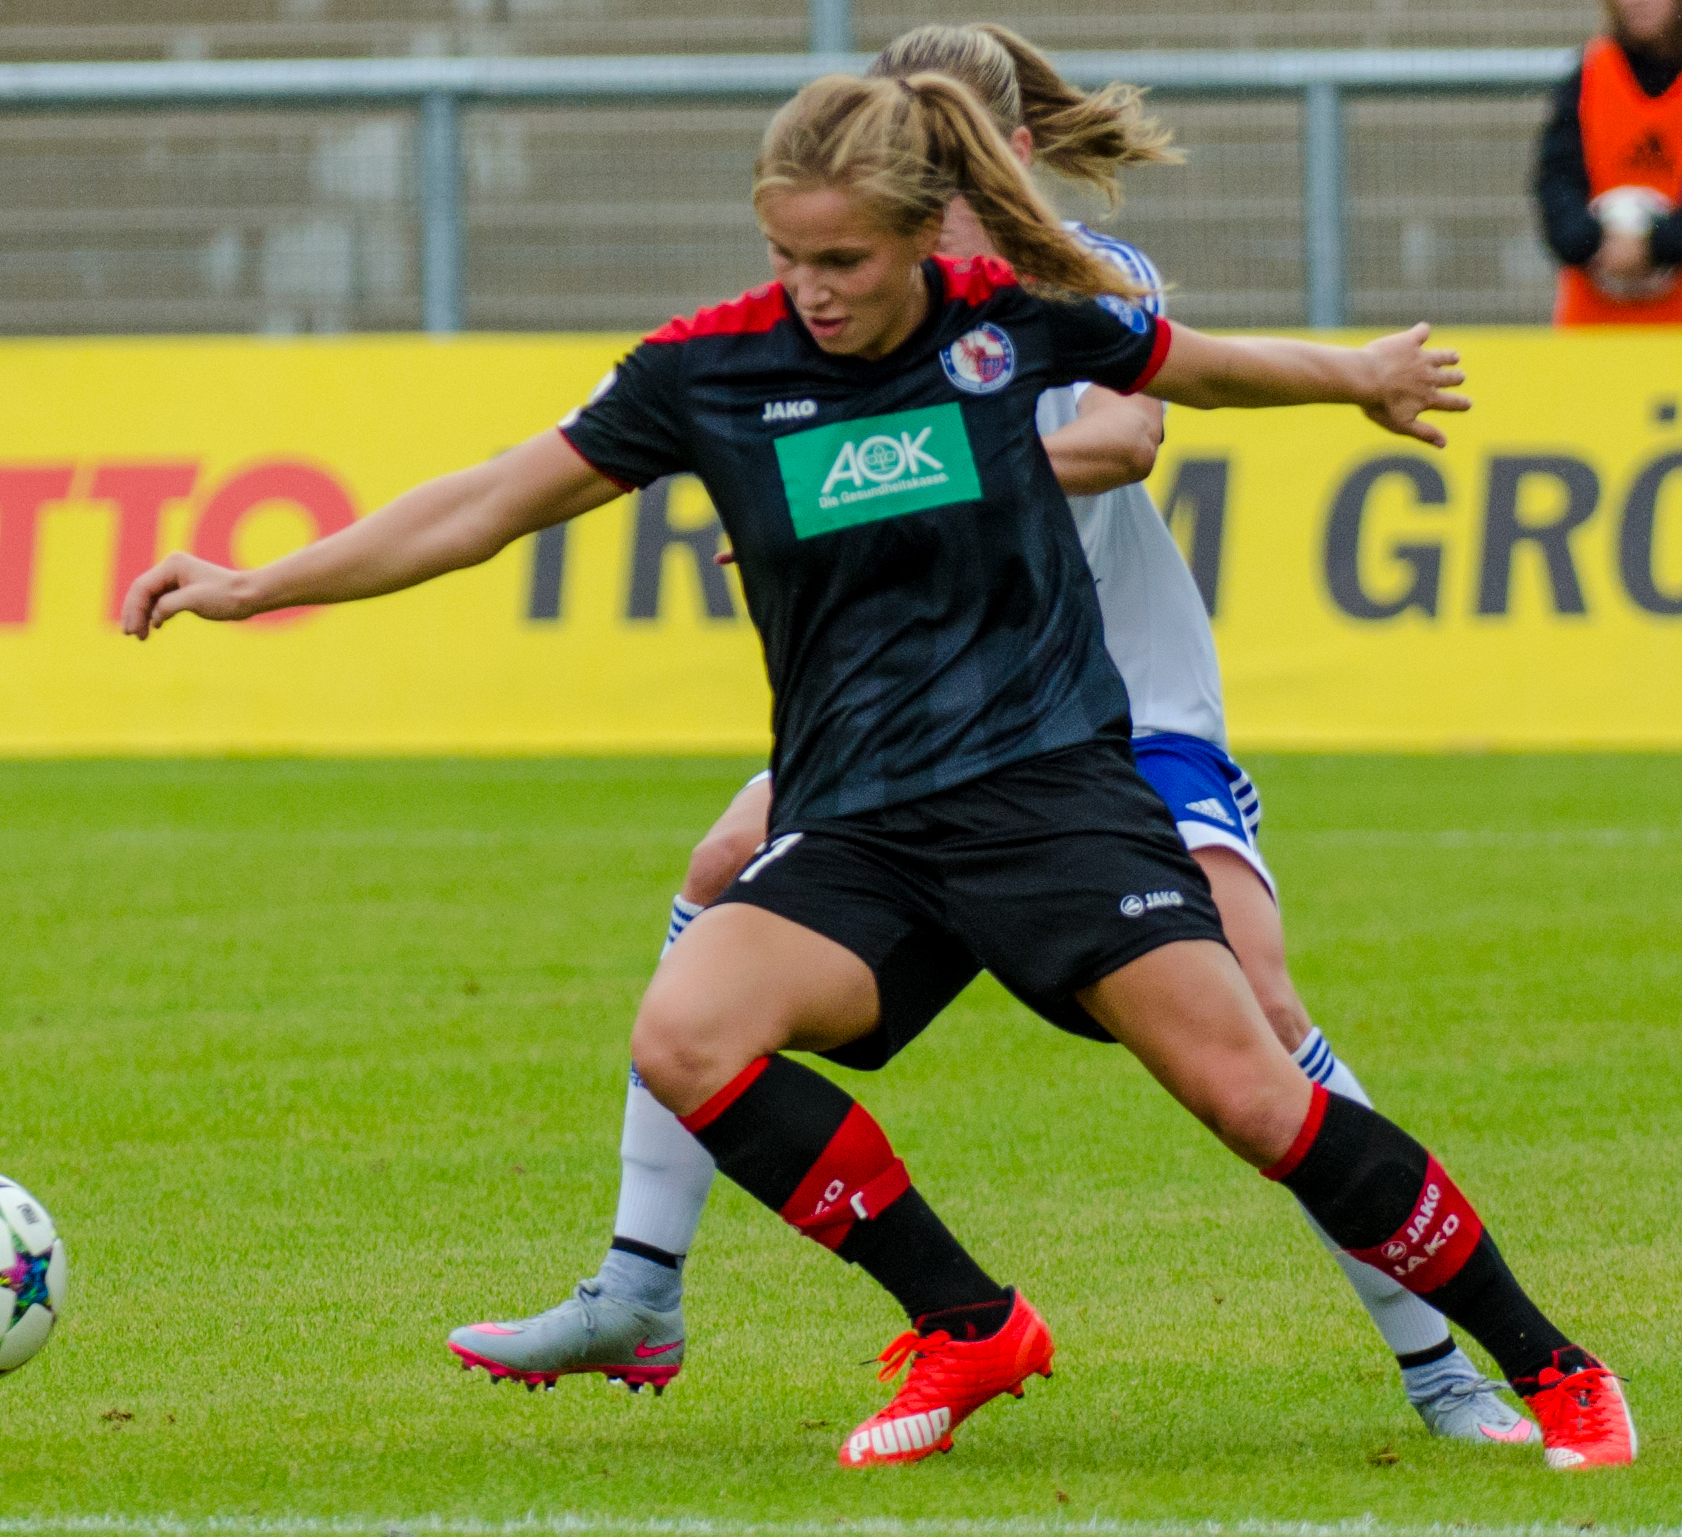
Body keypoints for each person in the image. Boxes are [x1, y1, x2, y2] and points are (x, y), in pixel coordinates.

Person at [121, 66, 1635, 1473]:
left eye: (843, 260)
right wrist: (261, 585)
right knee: (688, 1030)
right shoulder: (706, 371)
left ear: (919, 234)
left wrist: (1358, 373)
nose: (814, 290)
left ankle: (1544, 1364)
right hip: (859, 818)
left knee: (1252, 1092)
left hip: (1050, 795)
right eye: (791, 257)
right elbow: (491, 502)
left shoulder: (1011, 318)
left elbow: (1195, 377)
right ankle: (965, 1323)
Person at [447, 22, 1531, 1447]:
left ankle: (1441, 1367)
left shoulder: (1080, 277)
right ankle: (641, 1283)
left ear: (1004, 148)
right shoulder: (861, 303)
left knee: (1257, 1012)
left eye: (947, 140)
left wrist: (839, 484)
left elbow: (1122, 437)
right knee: (722, 866)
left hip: (1121, 710)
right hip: (924, 708)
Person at [1537, 0, 1682, 322]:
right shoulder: (1589, 71)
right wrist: (1590, 240)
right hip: (1596, 329)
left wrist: (1655, 245)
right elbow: (1557, 182)